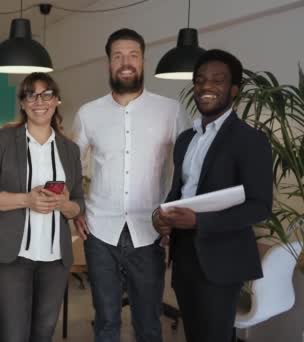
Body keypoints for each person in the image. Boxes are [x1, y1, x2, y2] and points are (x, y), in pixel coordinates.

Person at [71, 28, 191, 342]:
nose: (126, 62)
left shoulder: (171, 111)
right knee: (106, 321)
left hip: (151, 231)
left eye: (133, 55)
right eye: (118, 56)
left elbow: (188, 169)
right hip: (100, 232)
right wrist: (76, 207)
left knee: (149, 324)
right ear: (108, 63)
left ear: (143, 61)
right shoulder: (88, 113)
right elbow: (69, 165)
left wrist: (174, 215)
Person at [153, 49, 272, 342]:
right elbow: (178, 191)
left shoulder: (249, 140)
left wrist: (198, 221)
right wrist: (162, 216)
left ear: (234, 90)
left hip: (222, 260)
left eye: (218, 80)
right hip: (184, 257)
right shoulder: (186, 139)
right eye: (200, 80)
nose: (206, 87)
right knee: (195, 334)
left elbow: (260, 206)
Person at [0, 72, 85, 342]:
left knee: (43, 334)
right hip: (11, 257)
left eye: (47, 94)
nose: (39, 101)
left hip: (55, 260)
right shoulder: (1, 140)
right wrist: (27, 199)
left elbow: (79, 204)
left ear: (56, 100)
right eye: (31, 95)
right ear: (22, 103)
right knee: (13, 335)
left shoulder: (69, 149)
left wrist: (65, 204)